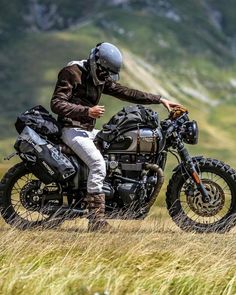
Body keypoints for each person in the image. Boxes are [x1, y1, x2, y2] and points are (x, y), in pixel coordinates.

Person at [51, 42, 183, 231]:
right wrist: (87, 111)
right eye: (105, 72)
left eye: (108, 74)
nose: (106, 77)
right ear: (97, 64)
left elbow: (125, 92)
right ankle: (96, 221)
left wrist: (160, 100)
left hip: (86, 131)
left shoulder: (99, 77)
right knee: (98, 164)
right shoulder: (72, 72)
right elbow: (56, 103)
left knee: (114, 149)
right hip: (71, 129)